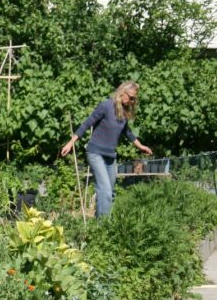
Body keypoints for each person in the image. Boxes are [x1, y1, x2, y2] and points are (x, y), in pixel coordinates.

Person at [60, 81, 154, 218]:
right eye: (131, 97)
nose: (133, 101)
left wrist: (141, 146)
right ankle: (103, 229)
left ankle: (100, 224)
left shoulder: (123, 112)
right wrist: (70, 143)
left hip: (110, 156)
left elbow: (127, 132)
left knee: (110, 193)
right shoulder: (106, 106)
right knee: (105, 191)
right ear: (123, 92)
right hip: (95, 153)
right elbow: (87, 123)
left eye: (135, 99)